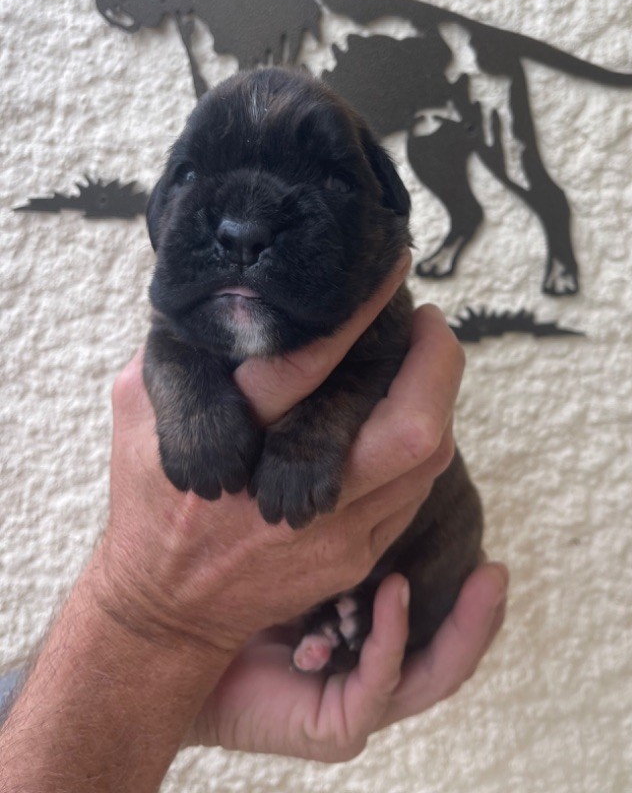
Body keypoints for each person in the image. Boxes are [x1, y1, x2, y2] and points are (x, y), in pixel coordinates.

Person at [0, 256, 508, 792]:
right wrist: (151, 624)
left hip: (402, 562)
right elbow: (170, 350)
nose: (243, 234)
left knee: (427, 572)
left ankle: (339, 627)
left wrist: (167, 679)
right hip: (302, 607)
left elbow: (379, 365)